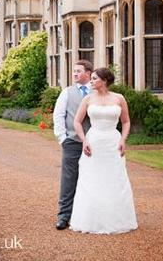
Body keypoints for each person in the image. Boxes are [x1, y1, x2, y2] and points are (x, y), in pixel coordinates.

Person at [70, 67, 138, 234]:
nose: (91, 81)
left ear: (105, 80)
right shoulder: (87, 99)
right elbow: (77, 122)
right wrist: (84, 139)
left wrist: (123, 139)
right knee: (91, 179)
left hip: (113, 143)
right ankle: (90, 220)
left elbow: (126, 122)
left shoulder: (119, 98)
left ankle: (116, 219)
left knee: (115, 179)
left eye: (94, 78)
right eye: (91, 78)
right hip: (93, 142)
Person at [53, 59, 93, 230]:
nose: (75, 74)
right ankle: (64, 216)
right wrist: (63, 138)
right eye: (74, 71)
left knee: (93, 179)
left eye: (78, 71)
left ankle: (91, 215)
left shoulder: (97, 92)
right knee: (69, 180)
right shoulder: (67, 93)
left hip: (94, 144)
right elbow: (58, 116)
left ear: (88, 73)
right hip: (72, 142)